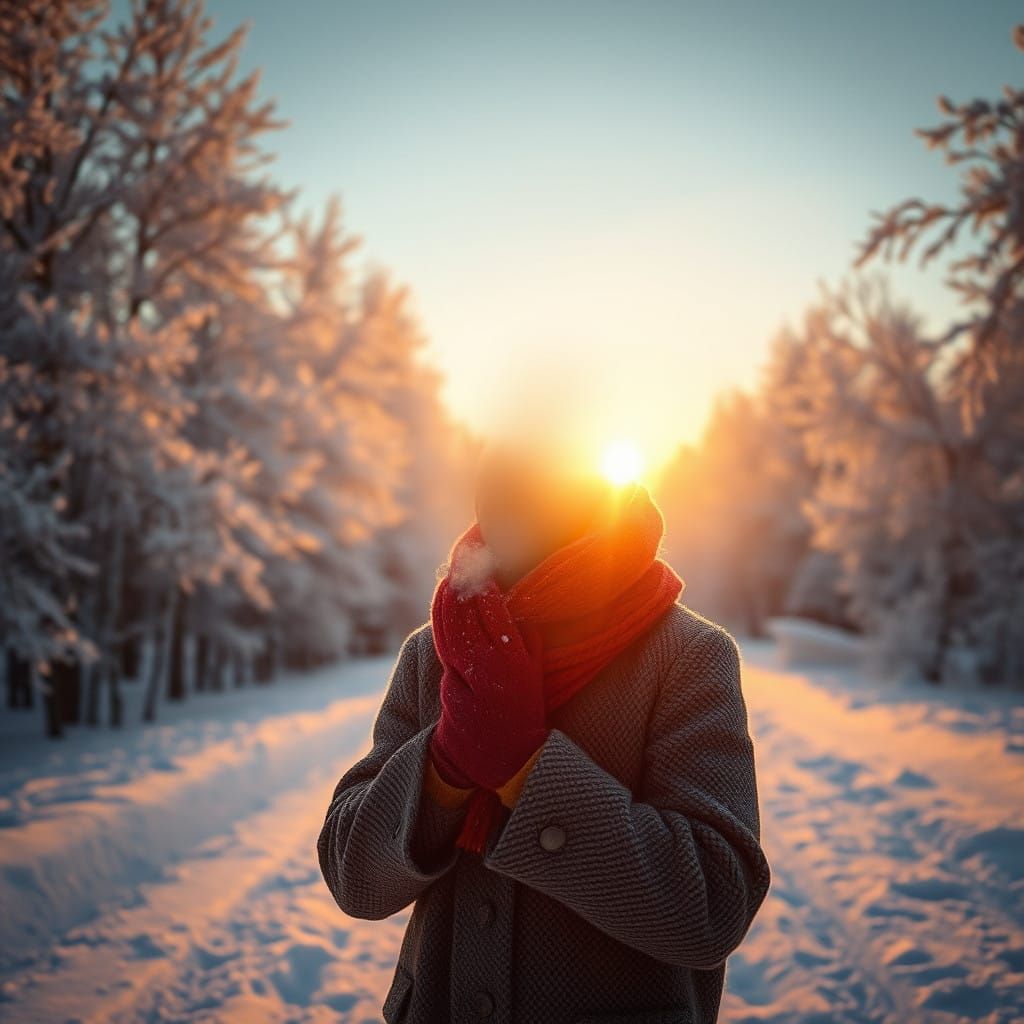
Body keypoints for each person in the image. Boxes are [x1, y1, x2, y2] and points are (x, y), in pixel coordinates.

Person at [316, 431, 771, 1024]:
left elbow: (713, 902)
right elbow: (354, 879)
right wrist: (445, 768)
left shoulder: (685, 655)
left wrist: (526, 771)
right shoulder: (435, 653)